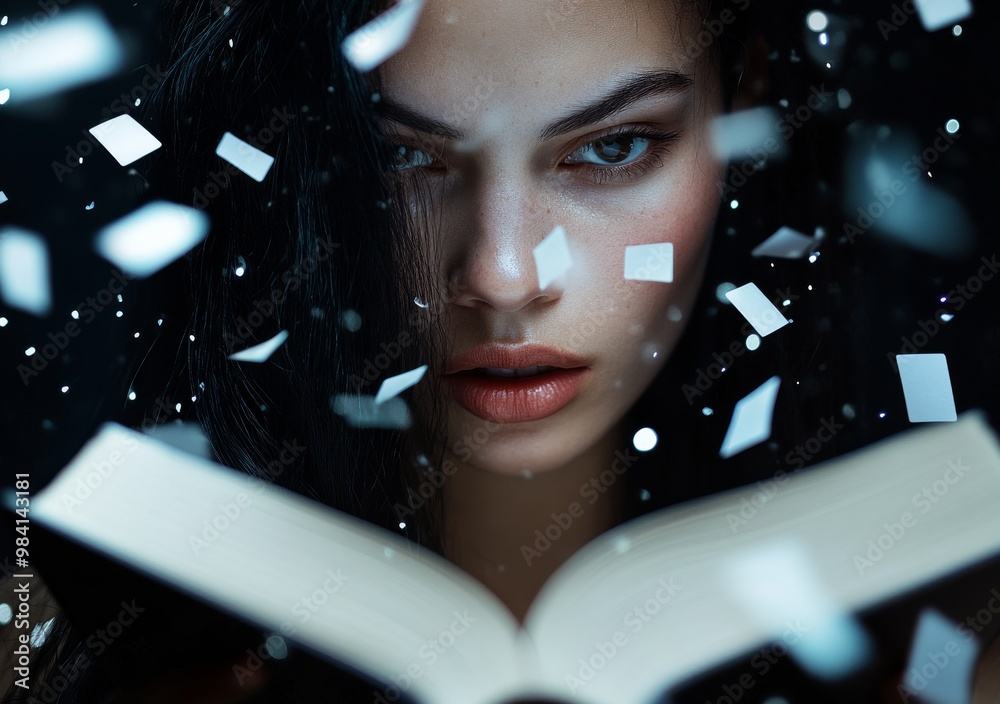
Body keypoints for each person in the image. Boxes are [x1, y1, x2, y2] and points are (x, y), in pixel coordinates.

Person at [2, 0, 995, 701]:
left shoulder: (945, 627)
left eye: (610, 147)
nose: (504, 271)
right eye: (404, 155)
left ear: (740, 107)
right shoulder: (70, 601)